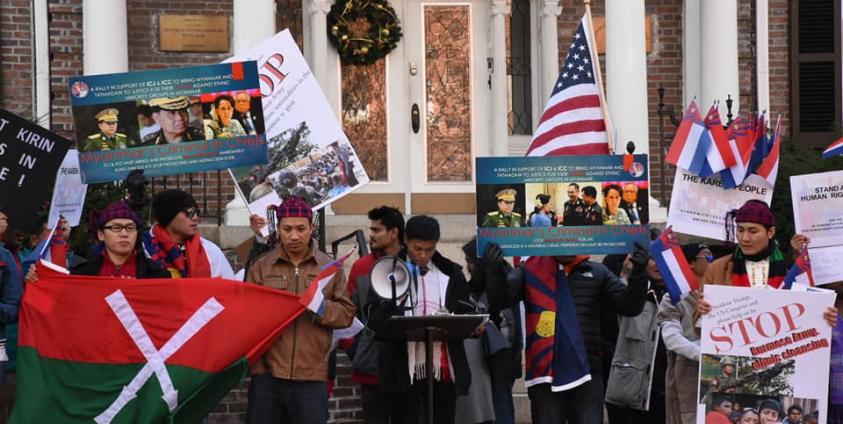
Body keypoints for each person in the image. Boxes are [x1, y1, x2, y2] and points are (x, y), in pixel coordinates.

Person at [486, 241, 649, 424]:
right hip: (544, 377)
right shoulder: (529, 270)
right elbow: (501, 300)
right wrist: (494, 271)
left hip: (588, 374)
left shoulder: (598, 272)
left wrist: (639, 273)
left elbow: (630, 306)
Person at [245, 196, 355, 424]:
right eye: (287, 229)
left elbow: (346, 314)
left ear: (311, 228)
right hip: (268, 375)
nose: (294, 236)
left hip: (312, 376)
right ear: (278, 229)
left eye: (300, 229)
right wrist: (258, 369)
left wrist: (320, 307)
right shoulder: (261, 267)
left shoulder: (329, 267)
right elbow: (248, 319)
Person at [367, 215, 473, 424]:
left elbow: (466, 308)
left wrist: (473, 325)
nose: (423, 255)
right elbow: (373, 320)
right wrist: (393, 301)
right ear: (405, 239)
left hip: (442, 368)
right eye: (417, 249)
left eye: (429, 249)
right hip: (402, 368)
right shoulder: (386, 270)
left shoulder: (451, 272)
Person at [694, 200, 837, 327]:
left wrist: (826, 319)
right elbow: (697, 327)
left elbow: (809, 318)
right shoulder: (717, 268)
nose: (744, 238)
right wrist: (702, 314)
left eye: (753, 231)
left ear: (770, 232)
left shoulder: (791, 271)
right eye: (740, 230)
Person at [345, 206, 405, 424]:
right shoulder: (361, 267)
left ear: (394, 232)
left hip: (408, 367)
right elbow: (347, 314)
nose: (371, 234)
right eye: (370, 229)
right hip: (373, 367)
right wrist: (357, 349)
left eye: (377, 230)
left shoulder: (413, 264)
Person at [459, 240, 522, 424]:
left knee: (500, 414)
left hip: (498, 365)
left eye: (470, 261)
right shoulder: (477, 287)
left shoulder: (504, 283)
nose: (468, 267)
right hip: (485, 365)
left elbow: (508, 330)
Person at [605, 250, 667, 424]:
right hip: (630, 389)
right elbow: (616, 310)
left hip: (664, 390)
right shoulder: (634, 292)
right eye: (652, 258)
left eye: (662, 258)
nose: (657, 264)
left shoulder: (679, 294)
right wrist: (626, 276)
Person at [658, 242, 713, 424]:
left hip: (716, 378)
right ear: (689, 263)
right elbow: (671, 338)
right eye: (707, 257)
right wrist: (704, 355)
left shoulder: (719, 293)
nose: (712, 261)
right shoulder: (673, 297)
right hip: (685, 377)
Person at [142, 189, 235, 279]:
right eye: (189, 212)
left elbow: (231, 289)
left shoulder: (210, 250)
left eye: (197, 212)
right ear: (168, 216)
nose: (195, 218)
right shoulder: (144, 247)